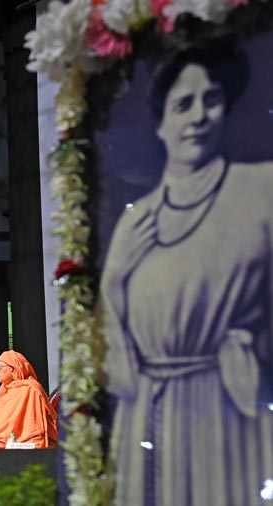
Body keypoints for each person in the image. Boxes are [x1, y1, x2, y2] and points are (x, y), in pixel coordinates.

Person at [100, 43, 273, 505]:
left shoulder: (260, 191)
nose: (197, 116)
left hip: (228, 409)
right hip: (149, 417)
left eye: (211, 100)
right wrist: (114, 279)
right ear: (161, 124)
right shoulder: (135, 223)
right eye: (183, 104)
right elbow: (109, 342)